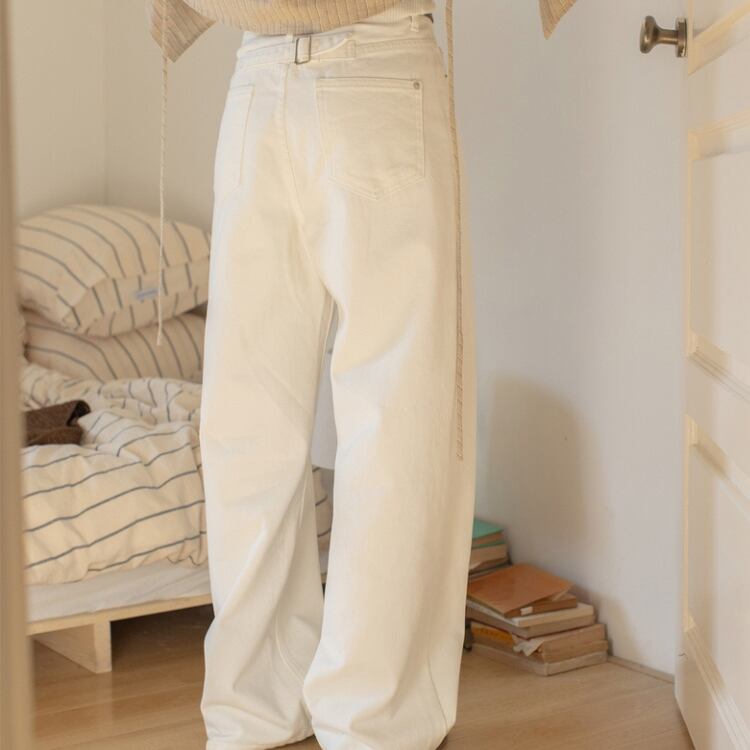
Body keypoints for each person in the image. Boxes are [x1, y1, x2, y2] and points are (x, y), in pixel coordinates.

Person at [145, 2, 577, 748]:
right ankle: (370, 719)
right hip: (379, 68)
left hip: (256, 82)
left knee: (249, 430)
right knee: (395, 418)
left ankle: (254, 710)